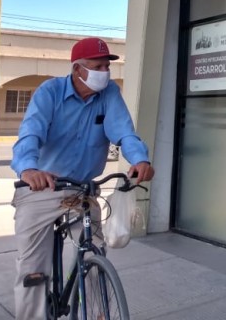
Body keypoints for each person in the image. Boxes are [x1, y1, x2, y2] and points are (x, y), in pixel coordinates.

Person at [10, 37, 155, 320]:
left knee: (94, 253)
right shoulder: (49, 92)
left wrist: (140, 159)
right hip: (42, 186)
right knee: (33, 270)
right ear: (77, 69)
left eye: (107, 66)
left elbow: (124, 132)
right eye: (97, 66)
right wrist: (29, 169)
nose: (105, 72)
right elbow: (30, 134)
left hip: (81, 189)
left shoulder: (109, 92)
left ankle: (97, 314)